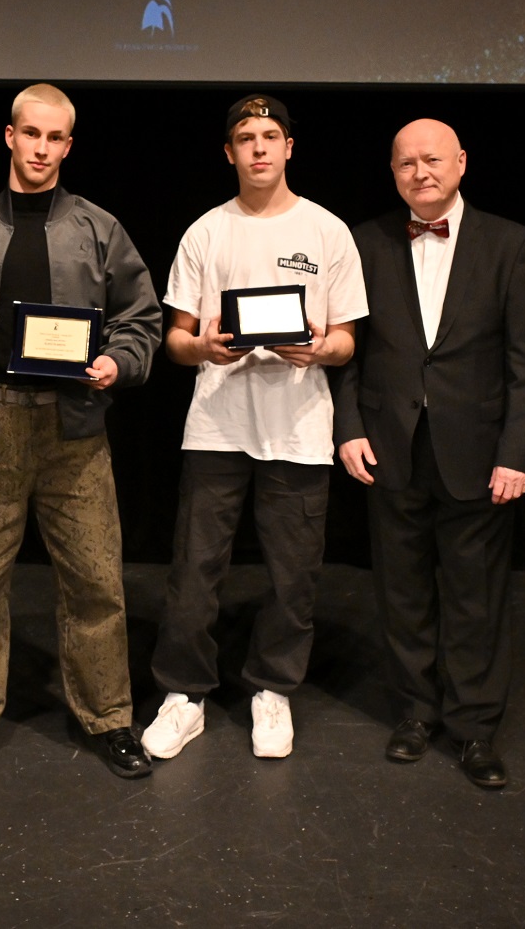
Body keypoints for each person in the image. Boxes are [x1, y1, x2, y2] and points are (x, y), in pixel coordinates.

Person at [0, 84, 163, 782]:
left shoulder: (99, 229)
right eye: (31, 134)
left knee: (96, 582)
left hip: (73, 427)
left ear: (68, 146)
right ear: (10, 136)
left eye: (55, 138)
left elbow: (141, 318)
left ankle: (109, 716)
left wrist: (119, 361)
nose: (42, 148)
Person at [140, 95, 367, 762]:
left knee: (293, 575)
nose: (259, 147)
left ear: (289, 147)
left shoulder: (327, 231)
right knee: (194, 570)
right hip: (217, 426)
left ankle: (273, 688)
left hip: (299, 427)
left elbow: (347, 340)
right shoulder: (206, 232)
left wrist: (319, 350)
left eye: (271, 135)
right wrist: (203, 348)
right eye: (246, 137)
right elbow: (175, 338)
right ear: (229, 152)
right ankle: (184, 695)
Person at [332, 119, 525, 788]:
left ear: (461, 162)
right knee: (401, 590)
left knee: (475, 594)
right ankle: (415, 713)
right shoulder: (364, 241)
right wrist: (347, 427)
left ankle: (475, 726)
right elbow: (349, 348)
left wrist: (518, 452)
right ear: (393, 172)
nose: (420, 172)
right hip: (389, 444)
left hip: (479, 451)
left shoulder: (511, 243)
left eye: (432, 159)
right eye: (406, 163)